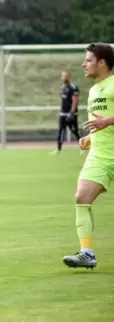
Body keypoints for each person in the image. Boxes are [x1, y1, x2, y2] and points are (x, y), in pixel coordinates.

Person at [62, 43, 114, 269]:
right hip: (100, 155)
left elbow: (106, 120)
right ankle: (87, 253)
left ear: (102, 63)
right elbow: (99, 123)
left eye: (88, 60)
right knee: (81, 197)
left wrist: (107, 121)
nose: (84, 64)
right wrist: (90, 138)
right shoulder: (93, 91)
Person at [51, 71, 81, 154]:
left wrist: (72, 112)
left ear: (69, 77)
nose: (63, 78)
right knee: (61, 131)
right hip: (63, 114)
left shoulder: (73, 87)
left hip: (71, 114)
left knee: (75, 131)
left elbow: (75, 100)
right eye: (62, 76)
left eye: (65, 76)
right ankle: (58, 149)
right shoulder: (62, 88)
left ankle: (83, 147)